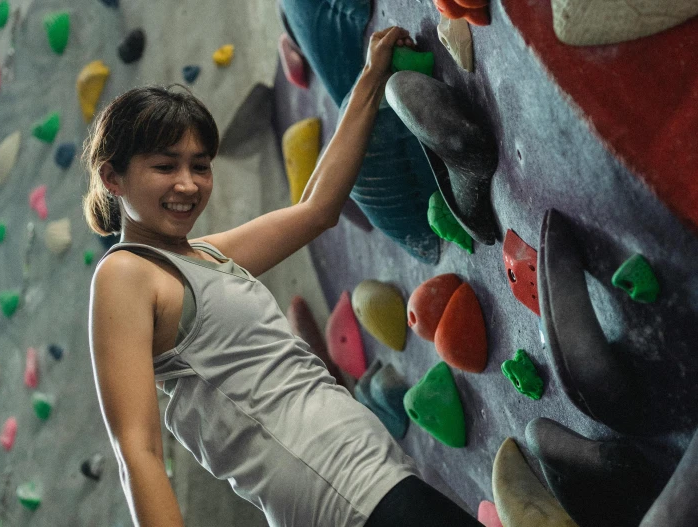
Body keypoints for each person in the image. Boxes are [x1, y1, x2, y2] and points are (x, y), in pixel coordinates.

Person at [84, 25, 482, 527]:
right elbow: (137, 450)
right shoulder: (124, 274)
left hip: (370, 475)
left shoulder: (201, 256)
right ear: (112, 178)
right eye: (165, 166)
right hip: (343, 494)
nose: (188, 184)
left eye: (200, 165)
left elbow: (317, 209)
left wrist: (369, 79)